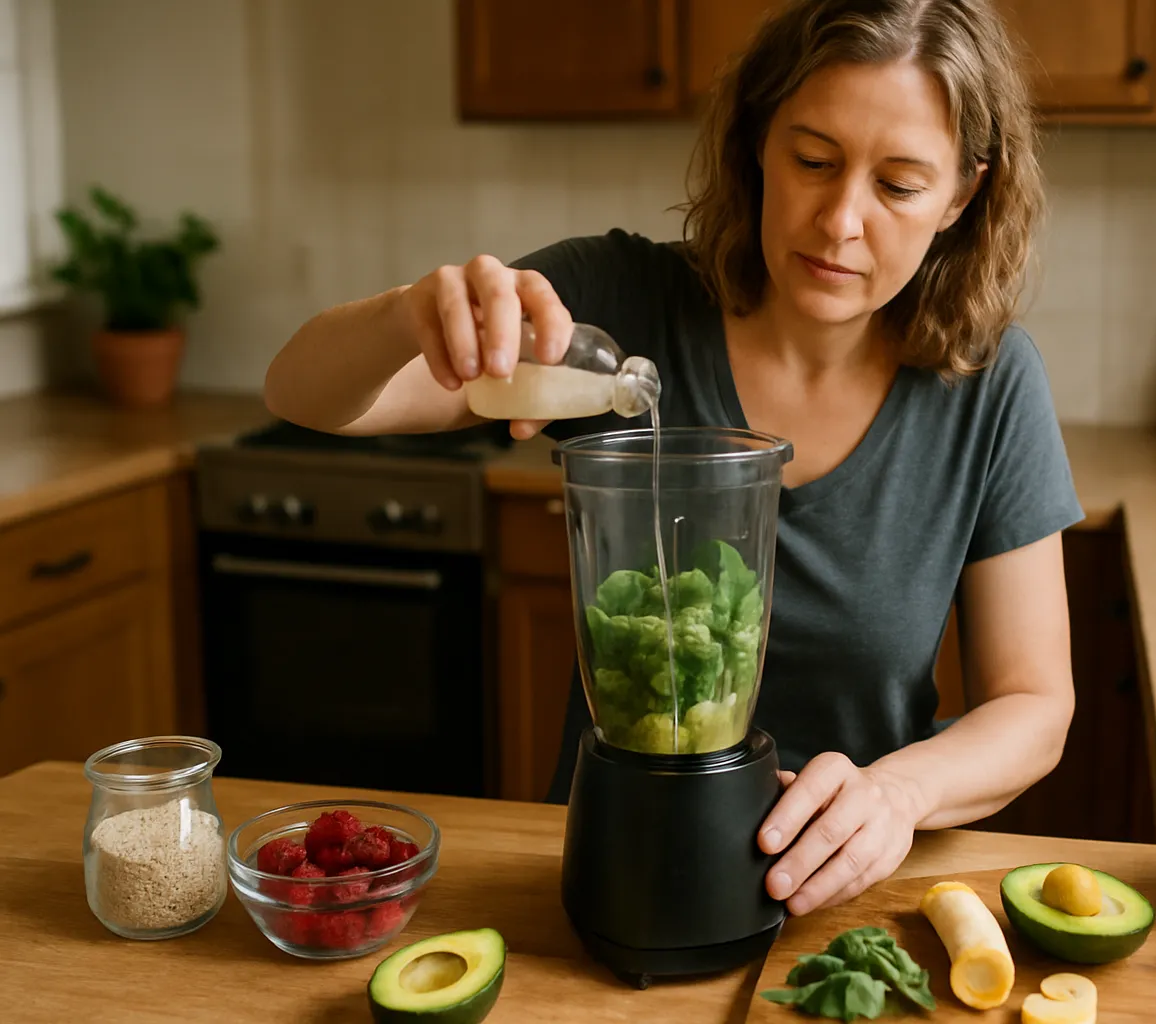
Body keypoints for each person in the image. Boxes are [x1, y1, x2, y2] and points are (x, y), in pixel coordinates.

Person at [264, 0, 1081, 918]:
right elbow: (303, 395)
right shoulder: (621, 304)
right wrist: (406, 313)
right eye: (813, 161)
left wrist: (900, 793)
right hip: (616, 880)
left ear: (960, 197)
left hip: (845, 892)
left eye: (897, 185)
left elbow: (1034, 704)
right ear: (759, 141)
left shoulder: (988, 382)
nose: (840, 220)